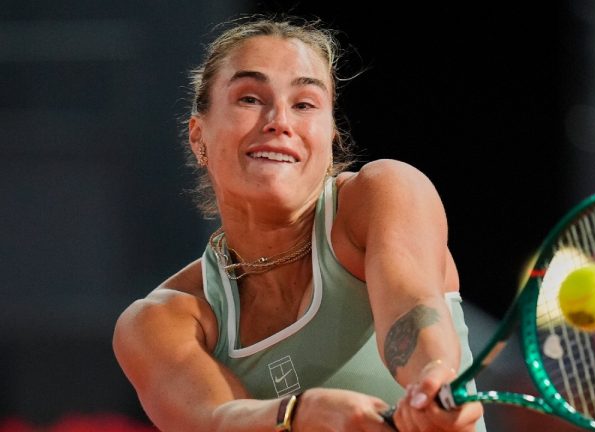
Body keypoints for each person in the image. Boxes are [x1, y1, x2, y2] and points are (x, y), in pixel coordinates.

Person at [113, 14, 486, 432]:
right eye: (250, 99)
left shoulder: (385, 194)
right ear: (198, 136)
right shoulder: (159, 321)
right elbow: (213, 421)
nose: (279, 121)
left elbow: (410, 303)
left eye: (305, 104)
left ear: (329, 139)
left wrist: (431, 379)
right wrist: (298, 414)